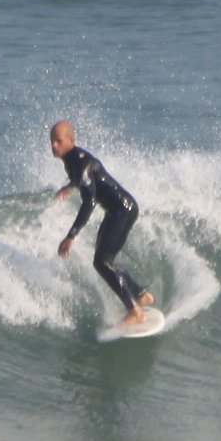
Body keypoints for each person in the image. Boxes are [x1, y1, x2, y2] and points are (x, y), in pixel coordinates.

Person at [50, 120, 155, 325]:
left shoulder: (79, 163)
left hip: (122, 211)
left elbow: (89, 202)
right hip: (119, 210)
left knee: (102, 262)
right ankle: (141, 295)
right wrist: (70, 187)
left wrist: (71, 236)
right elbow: (82, 178)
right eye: (52, 141)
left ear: (71, 141)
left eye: (58, 141)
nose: (53, 145)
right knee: (105, 260)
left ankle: (134, 311)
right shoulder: (73, 159)